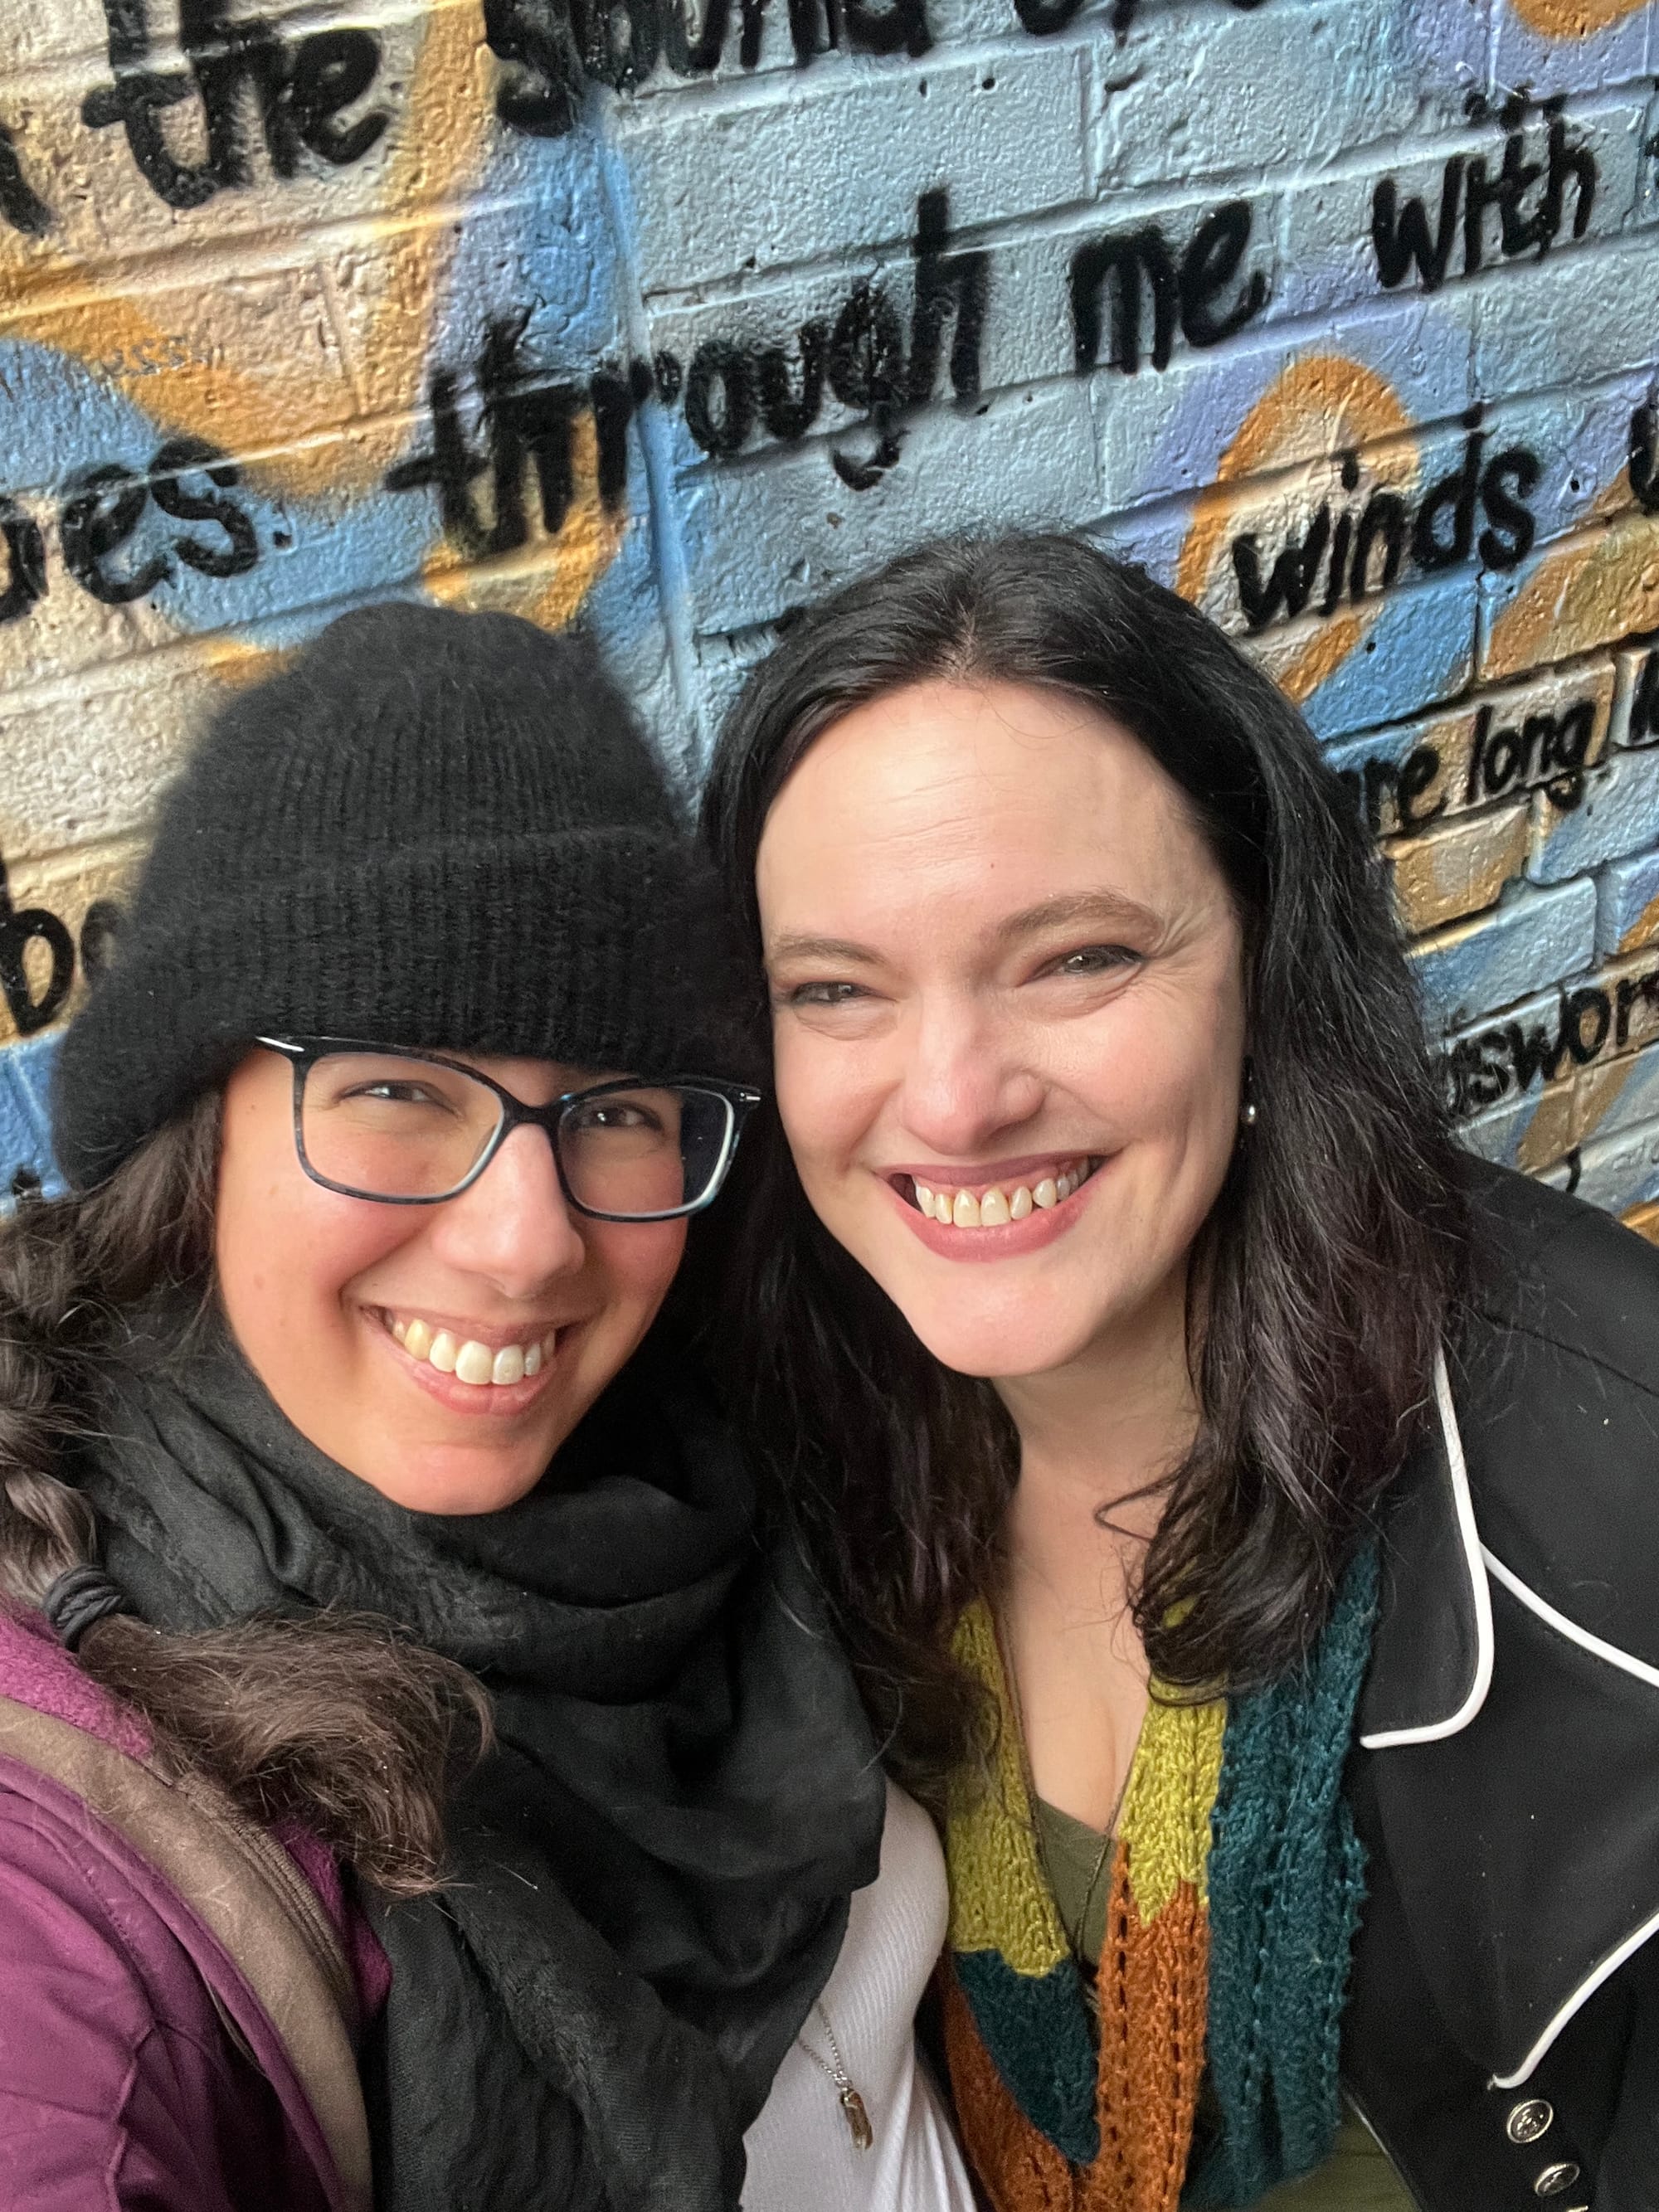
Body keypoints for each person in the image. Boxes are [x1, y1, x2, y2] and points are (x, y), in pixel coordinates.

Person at [703, 532, 1659, 2212]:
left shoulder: (1609, 1494)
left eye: (1076, 957)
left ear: (1263, 959)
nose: (952, 1097)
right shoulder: (801, 1449)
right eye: (834, 988)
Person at [0, 604, 892, 2212]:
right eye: (398, 1089)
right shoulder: (68, 1861)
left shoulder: (709, 1475)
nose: (530, 1238)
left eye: (614, 1109)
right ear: (196, 1139)